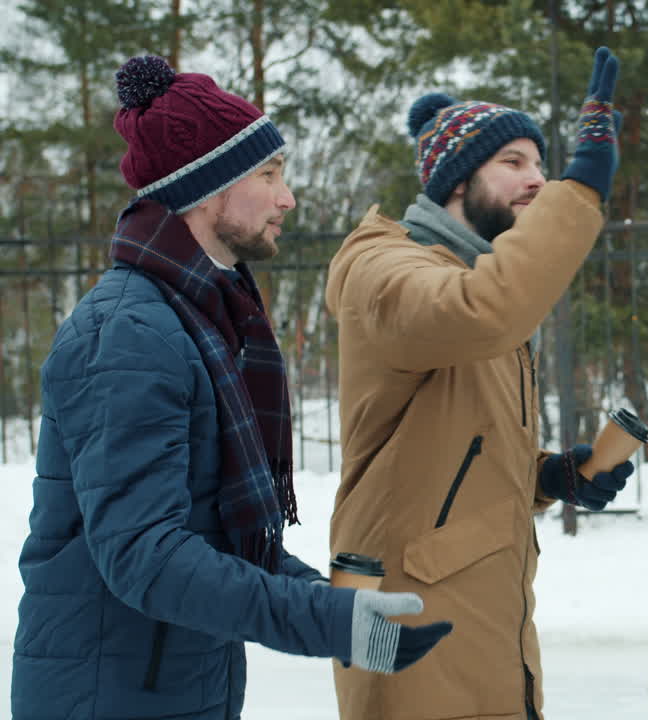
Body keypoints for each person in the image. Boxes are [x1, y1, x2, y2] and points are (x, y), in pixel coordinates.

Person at [10, 56, 451, 720]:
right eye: (269, 175)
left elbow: (221, 538)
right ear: (207, 189)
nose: (287, 198)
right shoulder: (130, 335)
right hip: (106, 695)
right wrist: (328, 621)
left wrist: (344, 610)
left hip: (169, 683)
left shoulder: (202, 319)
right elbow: (147, 556)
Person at [324, 47, 632, 720]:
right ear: (457, 180)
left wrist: (549, 477)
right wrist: (580, 190)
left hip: (486, 613)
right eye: (514, 163)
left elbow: (455, 455)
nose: (538, 181)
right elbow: (477, 311)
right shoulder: (385, 271)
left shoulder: (476, 277)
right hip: (410, 617)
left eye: (543, 165)